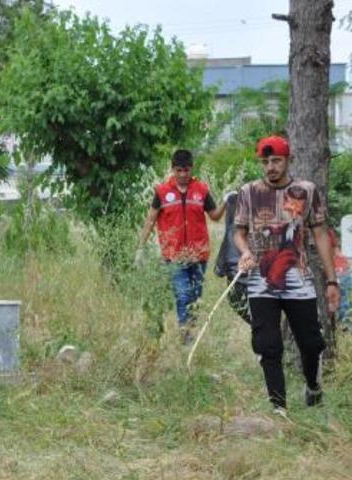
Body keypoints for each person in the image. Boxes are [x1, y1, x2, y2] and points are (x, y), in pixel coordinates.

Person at [234, 135, 339, 415]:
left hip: (298, 278)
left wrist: (331, 280)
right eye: (266, 161)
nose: (271, 166)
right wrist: (244, 251)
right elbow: (239, 232)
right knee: (267, 345)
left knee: (312, 343)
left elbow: (319, 234)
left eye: (276, 160)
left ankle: (313, 387)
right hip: (260, 280)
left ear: (288, 160)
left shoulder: (306, 191)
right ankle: (278, 409)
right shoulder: (248, 192)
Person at [135, 150, 225, 340]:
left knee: (196, 299)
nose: (183, 174)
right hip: (174, 256)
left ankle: (191, 331)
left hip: (198, 255)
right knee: (183, 295)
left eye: (186, 170)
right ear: (172, 169)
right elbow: (150, 220)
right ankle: (186, 338)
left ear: (192, 168)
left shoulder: (201, 190)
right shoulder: (161, 192)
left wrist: (227, 201)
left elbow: (215, 216)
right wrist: (140, 249)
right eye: (178, 170)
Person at [213, 191, 251, 323]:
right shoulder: (238, 229)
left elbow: (219, 269)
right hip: (241, 279)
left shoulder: (235, 229)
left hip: (242, 281)